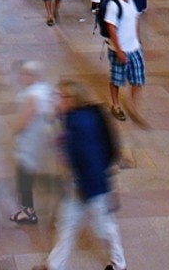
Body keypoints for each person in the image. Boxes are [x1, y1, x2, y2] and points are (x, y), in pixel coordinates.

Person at [44, 80, 125, 270]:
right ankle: (54, 265)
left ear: (72, 99)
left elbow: (92, 159)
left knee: (103, 227)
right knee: (66, 224)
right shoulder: (74, 118)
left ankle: (119, 263)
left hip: (91, 186)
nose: (57, 100)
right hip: (80, 184)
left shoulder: (80, 125)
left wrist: (89, 188)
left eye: (61, 96)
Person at [8, 61, 60, 226]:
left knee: (24, 177)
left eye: (24, 74)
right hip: (38, 141)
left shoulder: (32, 95)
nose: (21, 77)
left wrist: (15, 129)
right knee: (28, 174)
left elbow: (27, 117)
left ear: (33, 76)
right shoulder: (44, 89)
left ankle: (28, 211)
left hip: (29, 142)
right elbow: (52, 113)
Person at [102, 0, 145, 124]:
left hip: (134, 48)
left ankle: (131, 103)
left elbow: (136, 20)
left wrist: (138, 41)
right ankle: (116, 105)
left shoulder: (132, 2)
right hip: (119, 49)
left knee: (138, 78)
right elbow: (111, 28)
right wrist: (119, 51)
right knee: (116, 79)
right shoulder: (114, 5)